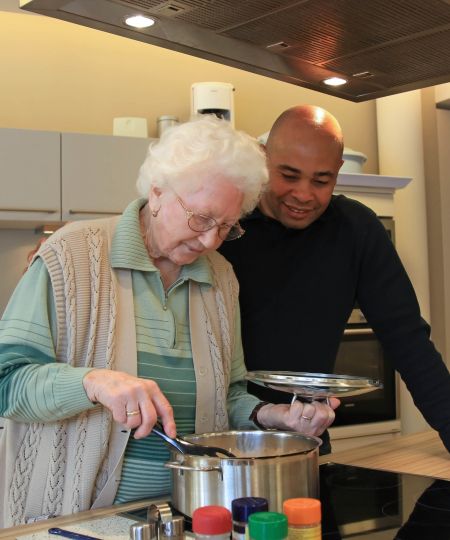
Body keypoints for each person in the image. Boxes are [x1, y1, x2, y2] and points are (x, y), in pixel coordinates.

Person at [0, 115, 338, 528]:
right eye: (201, 218)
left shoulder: (220, 278)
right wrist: (94, 383)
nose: (211, 240)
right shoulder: (69, 255)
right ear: (157, 192)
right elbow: (7, 382)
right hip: (74, 520)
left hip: (187, 518)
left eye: (227, 227)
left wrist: (273, 415)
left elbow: (226, 398)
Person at [219, 104, 450, 454]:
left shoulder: (357, 231)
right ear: (263, 158)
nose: (304, 194)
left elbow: (409, 341)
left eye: (321, 180)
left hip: (305, 442)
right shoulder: (223, 225)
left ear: (338, 172)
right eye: (289, 175)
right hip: (222, 440)